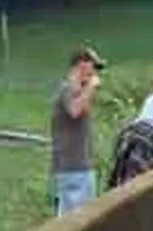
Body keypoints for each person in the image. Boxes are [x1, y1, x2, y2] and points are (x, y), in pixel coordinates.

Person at [50, 46, 105, 217]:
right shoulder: (67, 89)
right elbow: (74, 111)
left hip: (81, 167)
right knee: (74, 223)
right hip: (72, 168)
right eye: (93, 67)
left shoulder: (78, 91)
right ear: (81, 65)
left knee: (84, 221)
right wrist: (91, 87)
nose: (95, 73)